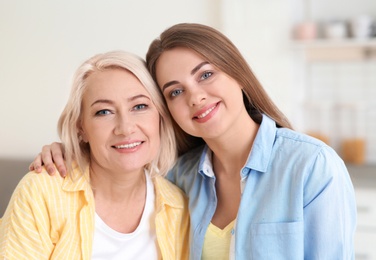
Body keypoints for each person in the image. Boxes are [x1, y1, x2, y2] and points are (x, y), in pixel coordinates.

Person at [30, 23, 356, 259]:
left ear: (237, 73)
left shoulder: (311, 166)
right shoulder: (179, 179)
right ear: (166, 109)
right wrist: (69, 150)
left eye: (205, 74)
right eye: (175, 91)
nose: (195, 97)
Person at [0, 50, 189, 259]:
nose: (125, 128)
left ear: (160, 117)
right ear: (81, 128)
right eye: (104, 112)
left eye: (140, 106)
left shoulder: (179, 207)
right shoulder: (41, 192)